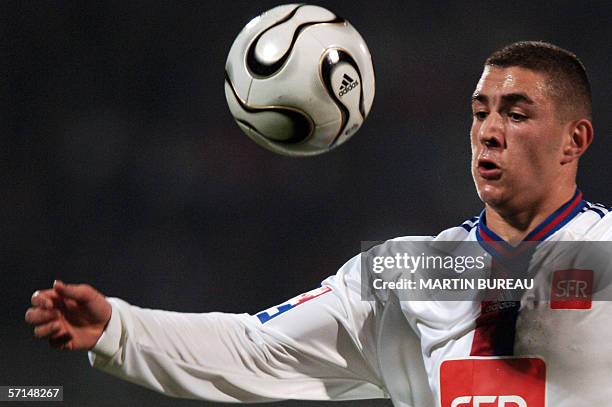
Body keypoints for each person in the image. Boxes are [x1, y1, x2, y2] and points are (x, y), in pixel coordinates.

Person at [25, 41, 612, 407]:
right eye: (480, 112)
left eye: (516, 113)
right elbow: (255, 349)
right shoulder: (405, 274)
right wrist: (120, 329)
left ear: (574, 140)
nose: (488, 130)